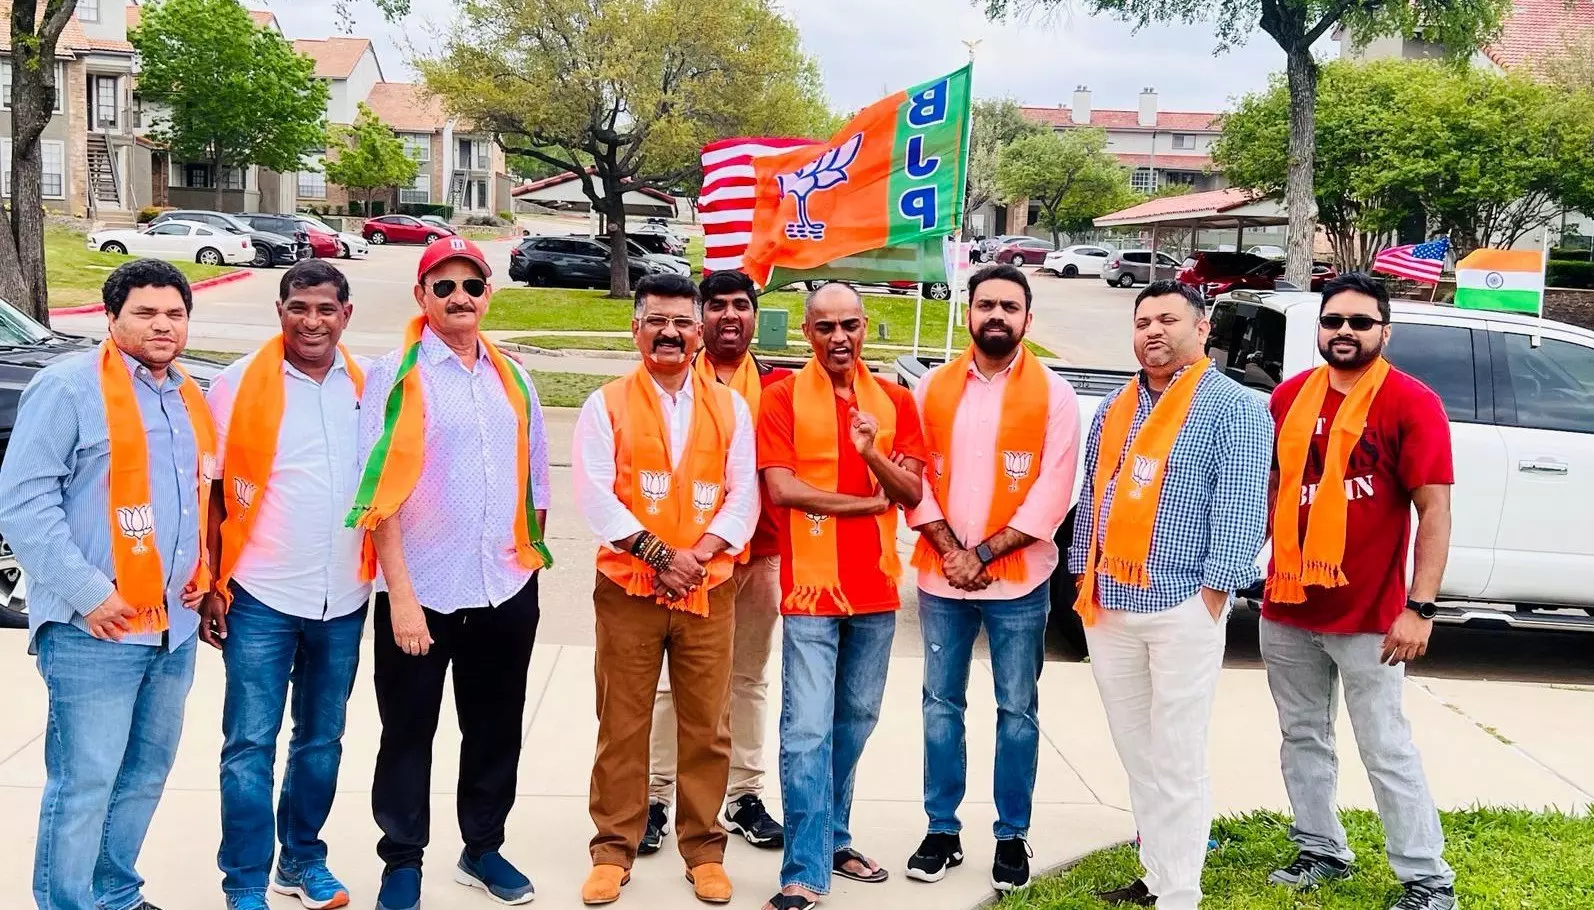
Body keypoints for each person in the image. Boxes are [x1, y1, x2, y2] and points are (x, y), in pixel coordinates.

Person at [0, 259, 214, 910]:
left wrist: (201, 574)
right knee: (85, 782)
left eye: (174, 314)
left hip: (172, 631)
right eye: (145, 313)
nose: (162, 325)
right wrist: (91, 594)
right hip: (95, 631)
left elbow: (193, 498)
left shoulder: (187, 394)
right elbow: (24, 505)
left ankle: (115, 893)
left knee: (145, 774)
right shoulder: (66, 389)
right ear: (111, 316)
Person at [355, 237, 553, 910]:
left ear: (487, 295)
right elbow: (378, 497)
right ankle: (402, 859)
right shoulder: (394, 376)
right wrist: (401, 599)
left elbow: (537, 480)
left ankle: (482, 847)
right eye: (444, 286)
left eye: (472, 285)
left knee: (495, 729)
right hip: (423, 592)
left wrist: (527, 572)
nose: (459, 297)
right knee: (408, 732)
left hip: (504, 587)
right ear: (422, 297)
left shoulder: (512, 377)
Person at [1070, 280, 1273, 909]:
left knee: (1178, 755)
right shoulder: (1115, 405)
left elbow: (1243, 507)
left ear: (1202, 328)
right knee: (1138, 752)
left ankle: (1180, 893)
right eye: (1143, 322)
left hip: (1183, 604)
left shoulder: (1234, 407)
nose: (1153, 331)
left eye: (1167, 320)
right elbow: (1093, 497)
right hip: (1110, 604)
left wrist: (1214, 591)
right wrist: (1082, 572)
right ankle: (1155, 874)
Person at [1260, 272, 1457, 910]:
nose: (1344, 331)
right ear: (1319, 327)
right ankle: (1320, 849)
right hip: (1288, 605)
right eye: (1333, 320)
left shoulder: (1410, 402)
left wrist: (1419, 607)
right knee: (1302, 735)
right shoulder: (1289, 398)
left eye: (1360, 322)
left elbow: (1434, 512)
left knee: (1385, 745)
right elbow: (1270, 491)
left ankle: (1427, 879)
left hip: (1372, 614)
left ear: (1384, 332)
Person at [573, 274, 758, 906]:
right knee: (622, 722)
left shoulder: (730, 408)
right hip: (629, 588)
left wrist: (696, 558)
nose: (670, 333)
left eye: (682, 322)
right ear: (636, 329)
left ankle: (704, 851)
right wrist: (658, 555)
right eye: (657, 321)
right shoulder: (606, 404)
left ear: (699, 332)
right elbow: (595, 495)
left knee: (707, 726)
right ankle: (612, 849)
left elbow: (743, 496)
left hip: (708, 587)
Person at [903, 265, 1080, 893]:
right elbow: (913, 477)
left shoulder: (1054, 394)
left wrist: (979, 555)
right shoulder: (931, 388)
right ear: (968, 313)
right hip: (941, 580)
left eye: (1009, 306)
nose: (997, 315)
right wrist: (954, 553)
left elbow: (1053, 493)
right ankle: (941, 830)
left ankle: (1012, 834)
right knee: (940, 706)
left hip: (1021, 585)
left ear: (1028, 318)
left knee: (1017, 709)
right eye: (986, 305)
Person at [199, 260, 368, 910]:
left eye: (326, 309)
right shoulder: (238, 385)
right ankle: (244, 882)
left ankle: (301, 861)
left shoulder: (370, 383)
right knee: (248, 744)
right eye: (299, 307)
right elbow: (213, 493)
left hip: (345, 598)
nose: (312, 321)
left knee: (321, 742)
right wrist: (213, 583)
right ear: (280, 311)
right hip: (261, 595)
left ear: (345, 314)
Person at [756, 282, 928, 910]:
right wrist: (863, 504)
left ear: (864, 326)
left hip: (875, 590)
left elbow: (910, 493)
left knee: (854, 721)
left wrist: (870, 453)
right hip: (811, 592)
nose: (838, 338)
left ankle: (832, 836)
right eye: (825, 327)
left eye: (849, 325)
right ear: (807, 333)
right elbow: (783, 490)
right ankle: (804, 871)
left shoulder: (898, 403)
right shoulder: (780, 398)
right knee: (806, 729)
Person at [644, 270, 788, 857]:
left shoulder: (779, 387)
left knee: (748, 679)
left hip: (759, 555)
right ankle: (656, 796)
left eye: (742, 305)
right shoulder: (671, 383)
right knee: (670, 685)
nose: (730, 315)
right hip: (685, 562)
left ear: (755, 316)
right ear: (699, 320)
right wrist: (671, 556)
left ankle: (744, 795)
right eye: (717, 305)